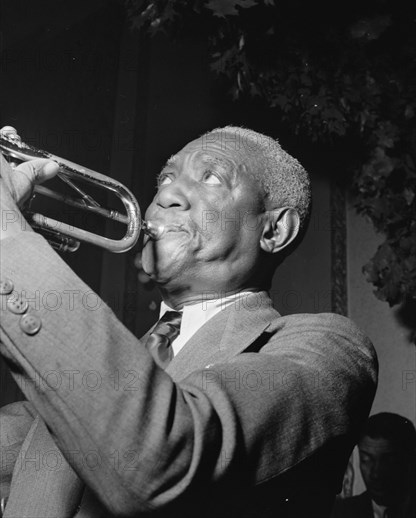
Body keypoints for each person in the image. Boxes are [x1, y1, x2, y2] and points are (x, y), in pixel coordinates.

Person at [0, 126, 377, 517]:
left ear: (274, 229)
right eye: (165, 178)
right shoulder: (87, 374)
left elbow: (162, 453)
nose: (164, 196)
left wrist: (9, 239)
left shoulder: (329, 349)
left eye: (210, 177)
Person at [332, 413, 416, 518]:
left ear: (409, 460)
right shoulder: (338, 513)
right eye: (365, 460)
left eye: (388, 461)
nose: (375, 474)